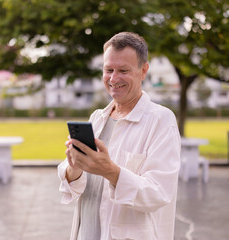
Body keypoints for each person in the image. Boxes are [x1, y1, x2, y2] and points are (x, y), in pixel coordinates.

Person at [58, 32, 181, 240]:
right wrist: (74, 166)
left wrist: (111, 172)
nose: (114, 79)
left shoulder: (161, 120)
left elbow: (159, 193)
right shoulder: (97, 118)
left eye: (123, 70)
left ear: (144, 71)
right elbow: (75, 184)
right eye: (108, 70)